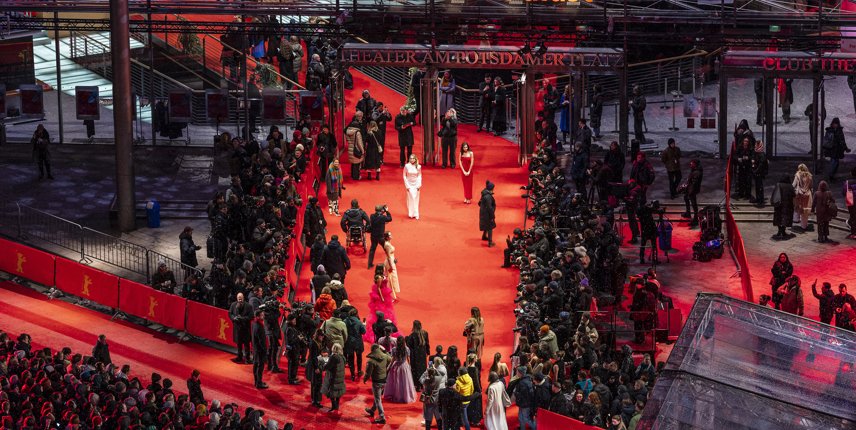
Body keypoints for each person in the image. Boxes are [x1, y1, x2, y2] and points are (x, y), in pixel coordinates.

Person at [363, 275, 401, 343]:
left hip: (384, 297)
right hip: (382, 298)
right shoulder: (379, 280)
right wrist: (382, 297)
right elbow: (378, 288)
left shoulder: (375, 325)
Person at [364, 343, 393, 424]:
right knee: (377, 397)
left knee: (378, 399)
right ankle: (372, 410)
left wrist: (364, 379)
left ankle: (382, 418)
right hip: (384, 380)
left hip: (376, 381)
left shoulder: (371, 361)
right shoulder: (384, 356)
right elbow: (390, 359)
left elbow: (368, 373)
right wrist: (384, 350)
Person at [385, 335, 417, 404]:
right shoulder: (407, 349)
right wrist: (409, 366)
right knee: (405, 382)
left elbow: (392, 360)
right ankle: (405, 396)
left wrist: (389, 367)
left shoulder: (394, 349)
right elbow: (408, 359)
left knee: (397, 382)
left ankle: (397, 396)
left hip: (396, 367)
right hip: (404, 366)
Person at [406, 320, 431, 392]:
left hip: (415, 355)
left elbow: (408, 344)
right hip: (422, 355)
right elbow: (427, 344)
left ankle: (417, 385)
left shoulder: (412, 335)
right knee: (422, 369)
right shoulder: (425, 333)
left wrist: (406, 338)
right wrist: (427, 352)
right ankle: (422, 384)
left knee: (415, 369)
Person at [823, 117, 849, 183]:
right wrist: (845, 148)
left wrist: (824, 148)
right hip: (836, 149)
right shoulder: (839, 130)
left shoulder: (829, 130)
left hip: (830, 148)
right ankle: (831, 175)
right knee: (835, 162)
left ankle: (831, 175)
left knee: (833, 161)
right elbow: (842, 141)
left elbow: (826, 140)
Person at [229, 293, 253, 364]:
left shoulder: (248, 306)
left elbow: (251, 316)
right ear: (237, 298)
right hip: (237, 328)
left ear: (243, 298)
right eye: (239, 299)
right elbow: (230, 313)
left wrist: (242, 319)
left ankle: (247, 358)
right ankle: (239, 356)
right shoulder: (233, 305)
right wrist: (234, 318)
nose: (240, 300)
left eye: (241, 299)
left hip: (246, 328)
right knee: (238, 343)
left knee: (246, 344)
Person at [343, 307, 367, 381]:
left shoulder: (345, 321)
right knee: (359, 357)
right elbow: (363, 332)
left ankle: (352, 374)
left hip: (349, 342)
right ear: (356, 314)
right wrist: (364, 325)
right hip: (357, 342)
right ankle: (359, 371)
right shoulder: (358, 322)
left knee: (350, 358)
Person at [323, 343, 346, 412]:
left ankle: (334, 404)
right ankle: (337, 404)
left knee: (331, 391)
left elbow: (327, 367)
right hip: (340, 377)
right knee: (338, 391)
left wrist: (324, 360)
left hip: (333, 377)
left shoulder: (333, 357)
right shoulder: (342, 357)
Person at [307, 329, 327, 408]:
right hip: (315, 366)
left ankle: (314, 399)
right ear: (318, 336)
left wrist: (322, 356)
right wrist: (316, 367)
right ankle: (316, 401)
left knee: (315, 383)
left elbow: (315, 356)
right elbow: (314, 357)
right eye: (321, 336)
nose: (322, 338)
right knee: (317, 384)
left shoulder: (314, 342)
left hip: (314, 365)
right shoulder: (314, 344)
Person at [792, 164, 813, 231]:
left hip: (800, 194)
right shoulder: (809, 176)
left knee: (797, 206)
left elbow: (794, 184)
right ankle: (804, 226)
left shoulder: (797, 175)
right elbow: (811, 186)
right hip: (807, 194)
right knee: (805, 211)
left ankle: (796, 219)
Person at [345, 112, 366, 180]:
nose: (360, 117)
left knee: (353, 163)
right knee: (356, 163)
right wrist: (363, 151)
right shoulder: (357, 133)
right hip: (357, 148)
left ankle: (353, 174)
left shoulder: (349, 131)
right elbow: (359, 143)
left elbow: (347, 139)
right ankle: (356, 176)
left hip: (351, 148)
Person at [683, 158, 702, 227]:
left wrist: (690, 192)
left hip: (693, 190)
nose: (691, 163)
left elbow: (694, 184)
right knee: (686, 198)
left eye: (692, 162)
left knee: (694, 204)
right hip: (691, 189)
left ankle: (695, 220)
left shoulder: (697, 172)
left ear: (695, 163)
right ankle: (688, 212)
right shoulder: (695, 170)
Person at [284, 313, 303, 385]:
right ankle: (291, 379)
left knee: (292, 364)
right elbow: (290, 340)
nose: (295, 321)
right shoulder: (289, 329)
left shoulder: (290, 327)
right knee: (293, 364)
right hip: (293, 350)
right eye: (294, 319)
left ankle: (292, 377)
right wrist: (298, 338)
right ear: (291, 320)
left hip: (293, 349)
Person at [252, 310, 268, 389]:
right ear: (258, 317)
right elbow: (261, 340)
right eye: (262, 315)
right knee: (260, 367)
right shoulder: (259, 326)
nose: (263, 316)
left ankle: (256, 381)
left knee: (255, 366)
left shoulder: (254, 323)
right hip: (260, 351)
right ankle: (259, 383)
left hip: (255, 349)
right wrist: (265, 350)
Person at [479, 181, 497, 247]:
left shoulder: (484, 193)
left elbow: (479, 203)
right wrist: (493, 216)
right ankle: (490, 242)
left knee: (486, 224)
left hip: (483, 212)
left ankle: (484, 236)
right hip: (487, 213)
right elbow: (489, 207)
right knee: (490, 226)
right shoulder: (488, 197)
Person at [383, 231, 400, 299]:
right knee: (390, 279)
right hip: (389, 263)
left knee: (393, 278)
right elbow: (388, 256)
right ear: (387, 237)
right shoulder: (387, 244)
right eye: (390, 235)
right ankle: (390, 296)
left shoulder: (388, 243)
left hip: (391, 262)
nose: (391, 235)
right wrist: (390, 265)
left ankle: (392, 294)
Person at [404, 154, 422, 219]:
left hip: (416, 184)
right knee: (410, 198)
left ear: (415, 159)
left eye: (413, 158)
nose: (412, 160)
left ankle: (416, 213)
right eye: (411, 158)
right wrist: (407, 186)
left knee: (416, 199)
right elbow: (404, 175)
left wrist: (418, 185)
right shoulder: (407, 166)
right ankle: (411, 213)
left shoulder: (419, 166)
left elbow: (419, 176)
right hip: (409, 184)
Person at [750, 140, 768, 205]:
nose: (755, 146)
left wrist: (755, 171)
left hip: (759, 173)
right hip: (757, 173)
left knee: (759, 186)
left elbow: (761, 165)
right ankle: (758, 198)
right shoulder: (758, 153)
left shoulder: (761, 155)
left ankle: (760, 199)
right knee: (758, 186)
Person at [844, 168, 856, 239]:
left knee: (852, 216)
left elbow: (843, 192)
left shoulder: (848, 182)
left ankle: (853, 233)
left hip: (851, 202)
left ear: (851, 173)